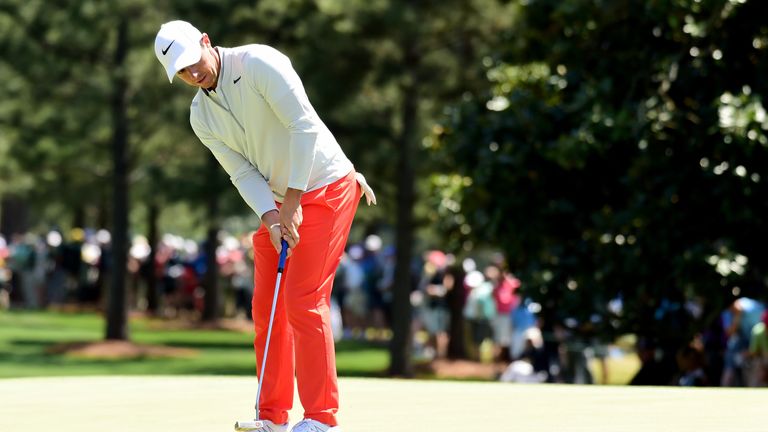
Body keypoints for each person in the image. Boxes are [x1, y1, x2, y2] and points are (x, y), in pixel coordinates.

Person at [154, 21, 376, 432]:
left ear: (206, 41)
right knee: (267, 308)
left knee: (303, 300)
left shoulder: (259, 62)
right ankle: (271, 416)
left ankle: (321, 419)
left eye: (192, 62)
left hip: (327, 187)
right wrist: (273, 218)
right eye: (181, 72)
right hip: (277, 201)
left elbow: (303, 126)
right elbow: (241, 172)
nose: (192, 74)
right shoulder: (201, 115)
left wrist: (292, 200)